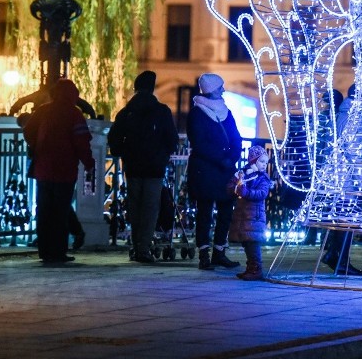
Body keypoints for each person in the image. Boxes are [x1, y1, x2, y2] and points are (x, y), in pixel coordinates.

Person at [108, 70, 179, 263]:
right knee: (150, 208)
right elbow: (172, 140)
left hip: (132, 166)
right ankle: (143, 248)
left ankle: (135, 245)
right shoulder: (162, 111)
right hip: (155, 168)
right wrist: (163, 155)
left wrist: (124, 151)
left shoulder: (126, 112)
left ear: (136, 88)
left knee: (135, 206)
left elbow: (114, 138)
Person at [23, 79, 95, 264]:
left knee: (44, 210)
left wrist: (37, 146)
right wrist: (88, 162)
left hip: (43, 169)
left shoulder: (43, 111)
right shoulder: (74, 114)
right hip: (65, 170)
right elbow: (81, 142)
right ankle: (58, 252)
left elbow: (28, 131)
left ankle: (44, 250)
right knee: (60, 211)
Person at [186, 73, 243, 270]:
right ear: (212, 90)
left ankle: (219, 252)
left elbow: (236, 138)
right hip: (206, 170)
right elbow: (199, 143)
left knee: (226, 211)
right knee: (205, 212)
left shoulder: (225, 111)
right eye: (220, 87)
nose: (223, 90)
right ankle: (204, 254)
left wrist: (232, 157)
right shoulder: (197, 113)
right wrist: (222, 159)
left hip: (223, 169)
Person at [320, 83, 362, 276]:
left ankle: (334, 255)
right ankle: (341, 261)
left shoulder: (346, 113)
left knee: (341, 218)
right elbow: (351, 149)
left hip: (341, 174)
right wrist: (361, 175)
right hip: (347, 176)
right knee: (347, 219)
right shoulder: (351, 116)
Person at [226, 145, 272, 281]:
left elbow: (262, 193)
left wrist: (246, 192)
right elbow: (230, 186)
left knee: (253, 243)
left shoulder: (262, 178)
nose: (264, 165)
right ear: (253, 161)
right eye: (261, 161)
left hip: (254, 216)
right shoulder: (243, 174)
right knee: (247, 242)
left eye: (266, 162)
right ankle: (251, 267)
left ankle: (256, 268)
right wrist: (236, 188)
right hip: (243, 214)